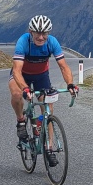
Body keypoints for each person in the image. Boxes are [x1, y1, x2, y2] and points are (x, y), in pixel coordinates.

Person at [9, 15, 78, 166]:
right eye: (37, 33)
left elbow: (63, 66)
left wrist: (70, 84)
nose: (41, 37)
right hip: (22, 75)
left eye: (44, 33)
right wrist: (25, 88)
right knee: (16, 94)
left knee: (48, 110)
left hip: (41, 76)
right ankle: (21, 121)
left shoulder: (52, 42)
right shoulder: (23, 42)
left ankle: (49, 148)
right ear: (30, 32)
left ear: (49, 33)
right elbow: (17, 70)